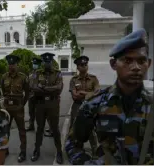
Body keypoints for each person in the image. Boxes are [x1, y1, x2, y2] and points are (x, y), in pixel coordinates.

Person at [65, 28, 153, 165]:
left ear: (149, 64)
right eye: (128, 61)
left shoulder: (151, 105)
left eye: (142, 61)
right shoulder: (95, 104)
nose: (136, 67)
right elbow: (72, 144)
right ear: (113, 64)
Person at [30, 52, 63, 164]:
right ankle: (36, 150)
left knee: (55, 129)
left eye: (49, 61)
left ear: (51, 61)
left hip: (53, 105)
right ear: (43, 62)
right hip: (40, 104)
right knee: (39, 128)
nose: (47, 63)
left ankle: (59, 151)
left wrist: (42, 87)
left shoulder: (58, 73)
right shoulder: (37, 73)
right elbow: (33, 87)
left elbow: (59, 88)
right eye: (45, 61)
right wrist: (50, 89)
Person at [69, 55, 100, 154]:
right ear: (77, 67)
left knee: (90, 127)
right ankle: (78, 148)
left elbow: (97, 93)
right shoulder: (74, 80)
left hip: (90, 106)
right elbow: (74, 96)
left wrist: (83, 93)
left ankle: (95, 149)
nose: (84, 66)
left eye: (85, 64)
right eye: (81, 65)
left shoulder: (93, 79)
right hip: (77, 106)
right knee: (76, 126)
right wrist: (90, 94)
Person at [1, 54, 29, 162]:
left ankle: (23, 152)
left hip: (18, 108)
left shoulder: (22, 77)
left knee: (22, 130)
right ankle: (5, 149)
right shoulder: (4, 77)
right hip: (7, 108)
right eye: (9, 64)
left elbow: (27, 92)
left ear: (17, 65)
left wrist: (22, 103)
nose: (11, 66)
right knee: (5, 130)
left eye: (13, 64)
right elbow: (3, 91)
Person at [26, 57, 42, 131]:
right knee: (31, 112)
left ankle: (40, 127)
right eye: (33, 63)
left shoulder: (41, 73)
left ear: (39, 65)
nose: (34, 65)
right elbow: (28, 83)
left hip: (39, 96)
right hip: (31, 96)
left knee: (40, 113)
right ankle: (31, 125)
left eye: (36, 64)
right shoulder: (31, 73)